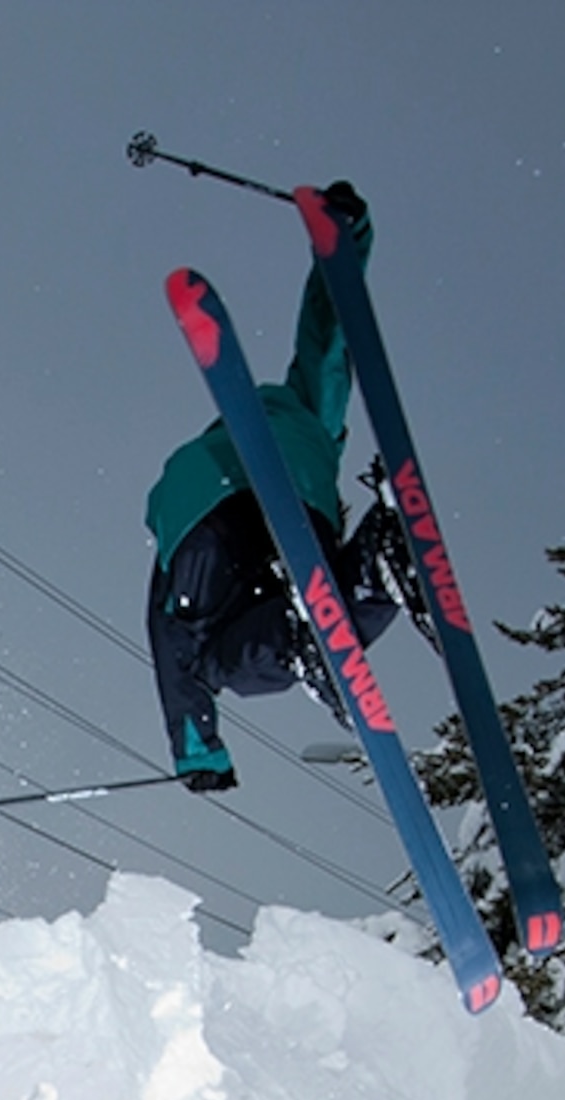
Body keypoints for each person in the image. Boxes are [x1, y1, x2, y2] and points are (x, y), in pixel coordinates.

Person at [144, 182, 401, 793]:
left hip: (205, 510)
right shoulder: (315, 421)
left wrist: (197, 748)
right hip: (285, 498)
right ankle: (378, 560)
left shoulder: (292, 431)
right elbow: (330, 337)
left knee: (210, 659)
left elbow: (168, 635)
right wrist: (343, 245)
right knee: (325, 600)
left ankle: (309, 628)